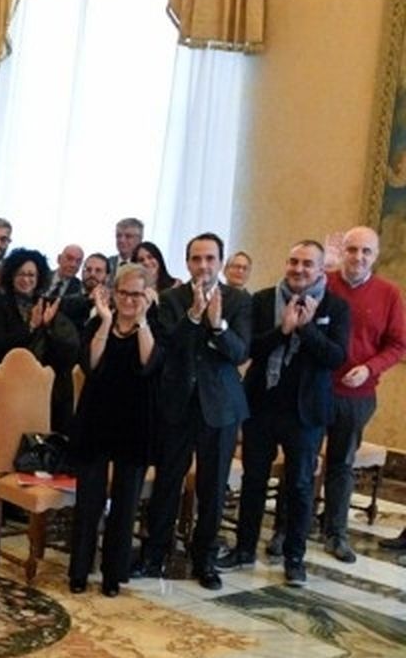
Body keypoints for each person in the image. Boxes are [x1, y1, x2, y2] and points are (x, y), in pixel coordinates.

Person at [220, 241, 349, 584]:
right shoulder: (263, 300)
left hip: (305, 412)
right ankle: (244, 549)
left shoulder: (335, 306)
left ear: (320, 270)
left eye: (307, 264)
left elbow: (336, 357)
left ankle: (294, 557)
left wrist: (306, 329)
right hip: (261, 405)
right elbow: (249, 349)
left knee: (301, 486)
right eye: (293, 261)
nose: (298, 269)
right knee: (253, 481)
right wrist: (284, 331)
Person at [135, 233, 251, 589]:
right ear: (187, 263)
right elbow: (168, 347)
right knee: (168, 481)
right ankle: (155, 553)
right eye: (196, 259)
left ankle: (205, 559)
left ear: (220, 261)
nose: (203, 265)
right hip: (177, 403)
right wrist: (194, 316)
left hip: (220, 405)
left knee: (212, 487)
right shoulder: (172, 299)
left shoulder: (238, 300)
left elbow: (240, 352)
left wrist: (217, 325)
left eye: (210, 258)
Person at [67, 265, 160, 596]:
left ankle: (112, 575)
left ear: (147, 295)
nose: (129, 300)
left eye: (136, 294)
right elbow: (90, 365)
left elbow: (149, 365)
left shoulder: (154, 326)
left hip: (134, 422)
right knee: (88, 502)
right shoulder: (97, 323)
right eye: (123, 293)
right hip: (96, 418)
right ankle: (79, 571)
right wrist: (106, 321)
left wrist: (143, 321)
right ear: (114, 293)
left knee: (125, 503)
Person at [321, 227, 406, 561]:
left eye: (366, 251)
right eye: (352, 249)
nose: (358, 257)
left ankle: (336, 534)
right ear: (342, 251)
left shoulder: (389, 294)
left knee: (341, 464)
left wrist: (370, 369)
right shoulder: (323, 282)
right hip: (315, 390)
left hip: (357, 395)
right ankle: (288, 529)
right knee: (302, 461)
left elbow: (397, 344)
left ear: (375, 255)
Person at [0, 247, 80, 432]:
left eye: (31, 275)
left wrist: (48, 326)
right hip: (7, 380)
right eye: (21, 274)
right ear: (11, 275)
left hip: (38, 383)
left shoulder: (44, 303)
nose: (26, 279)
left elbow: (66, 348)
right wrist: (30, 327)